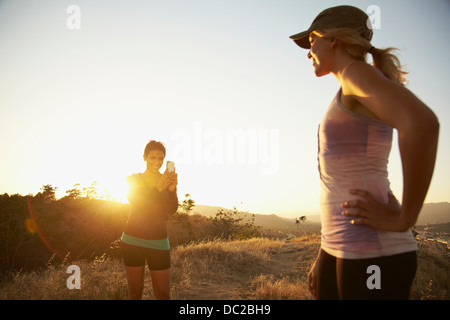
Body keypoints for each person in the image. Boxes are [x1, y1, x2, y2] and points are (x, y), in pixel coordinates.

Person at [289, 5, 439, 299]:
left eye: (311, 41)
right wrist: (326, 253)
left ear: (333, 39)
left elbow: (422, 124)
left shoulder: (356, 74)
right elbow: (336, 185)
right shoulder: (348, 83)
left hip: (374, 252)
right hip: (342, 247)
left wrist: (404, 218)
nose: (309, 52)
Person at [121, 140, 178, 300]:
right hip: (132, 240)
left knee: (163, 294)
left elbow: (172, 209)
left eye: (161, 159)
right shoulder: (133, 180)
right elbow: (140, 204)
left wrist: (172, 190)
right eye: (153, 158)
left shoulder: (166, 181)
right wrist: (159, 187)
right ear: (144, 157)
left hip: (159, 240)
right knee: (135, 292)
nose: (157, 162)